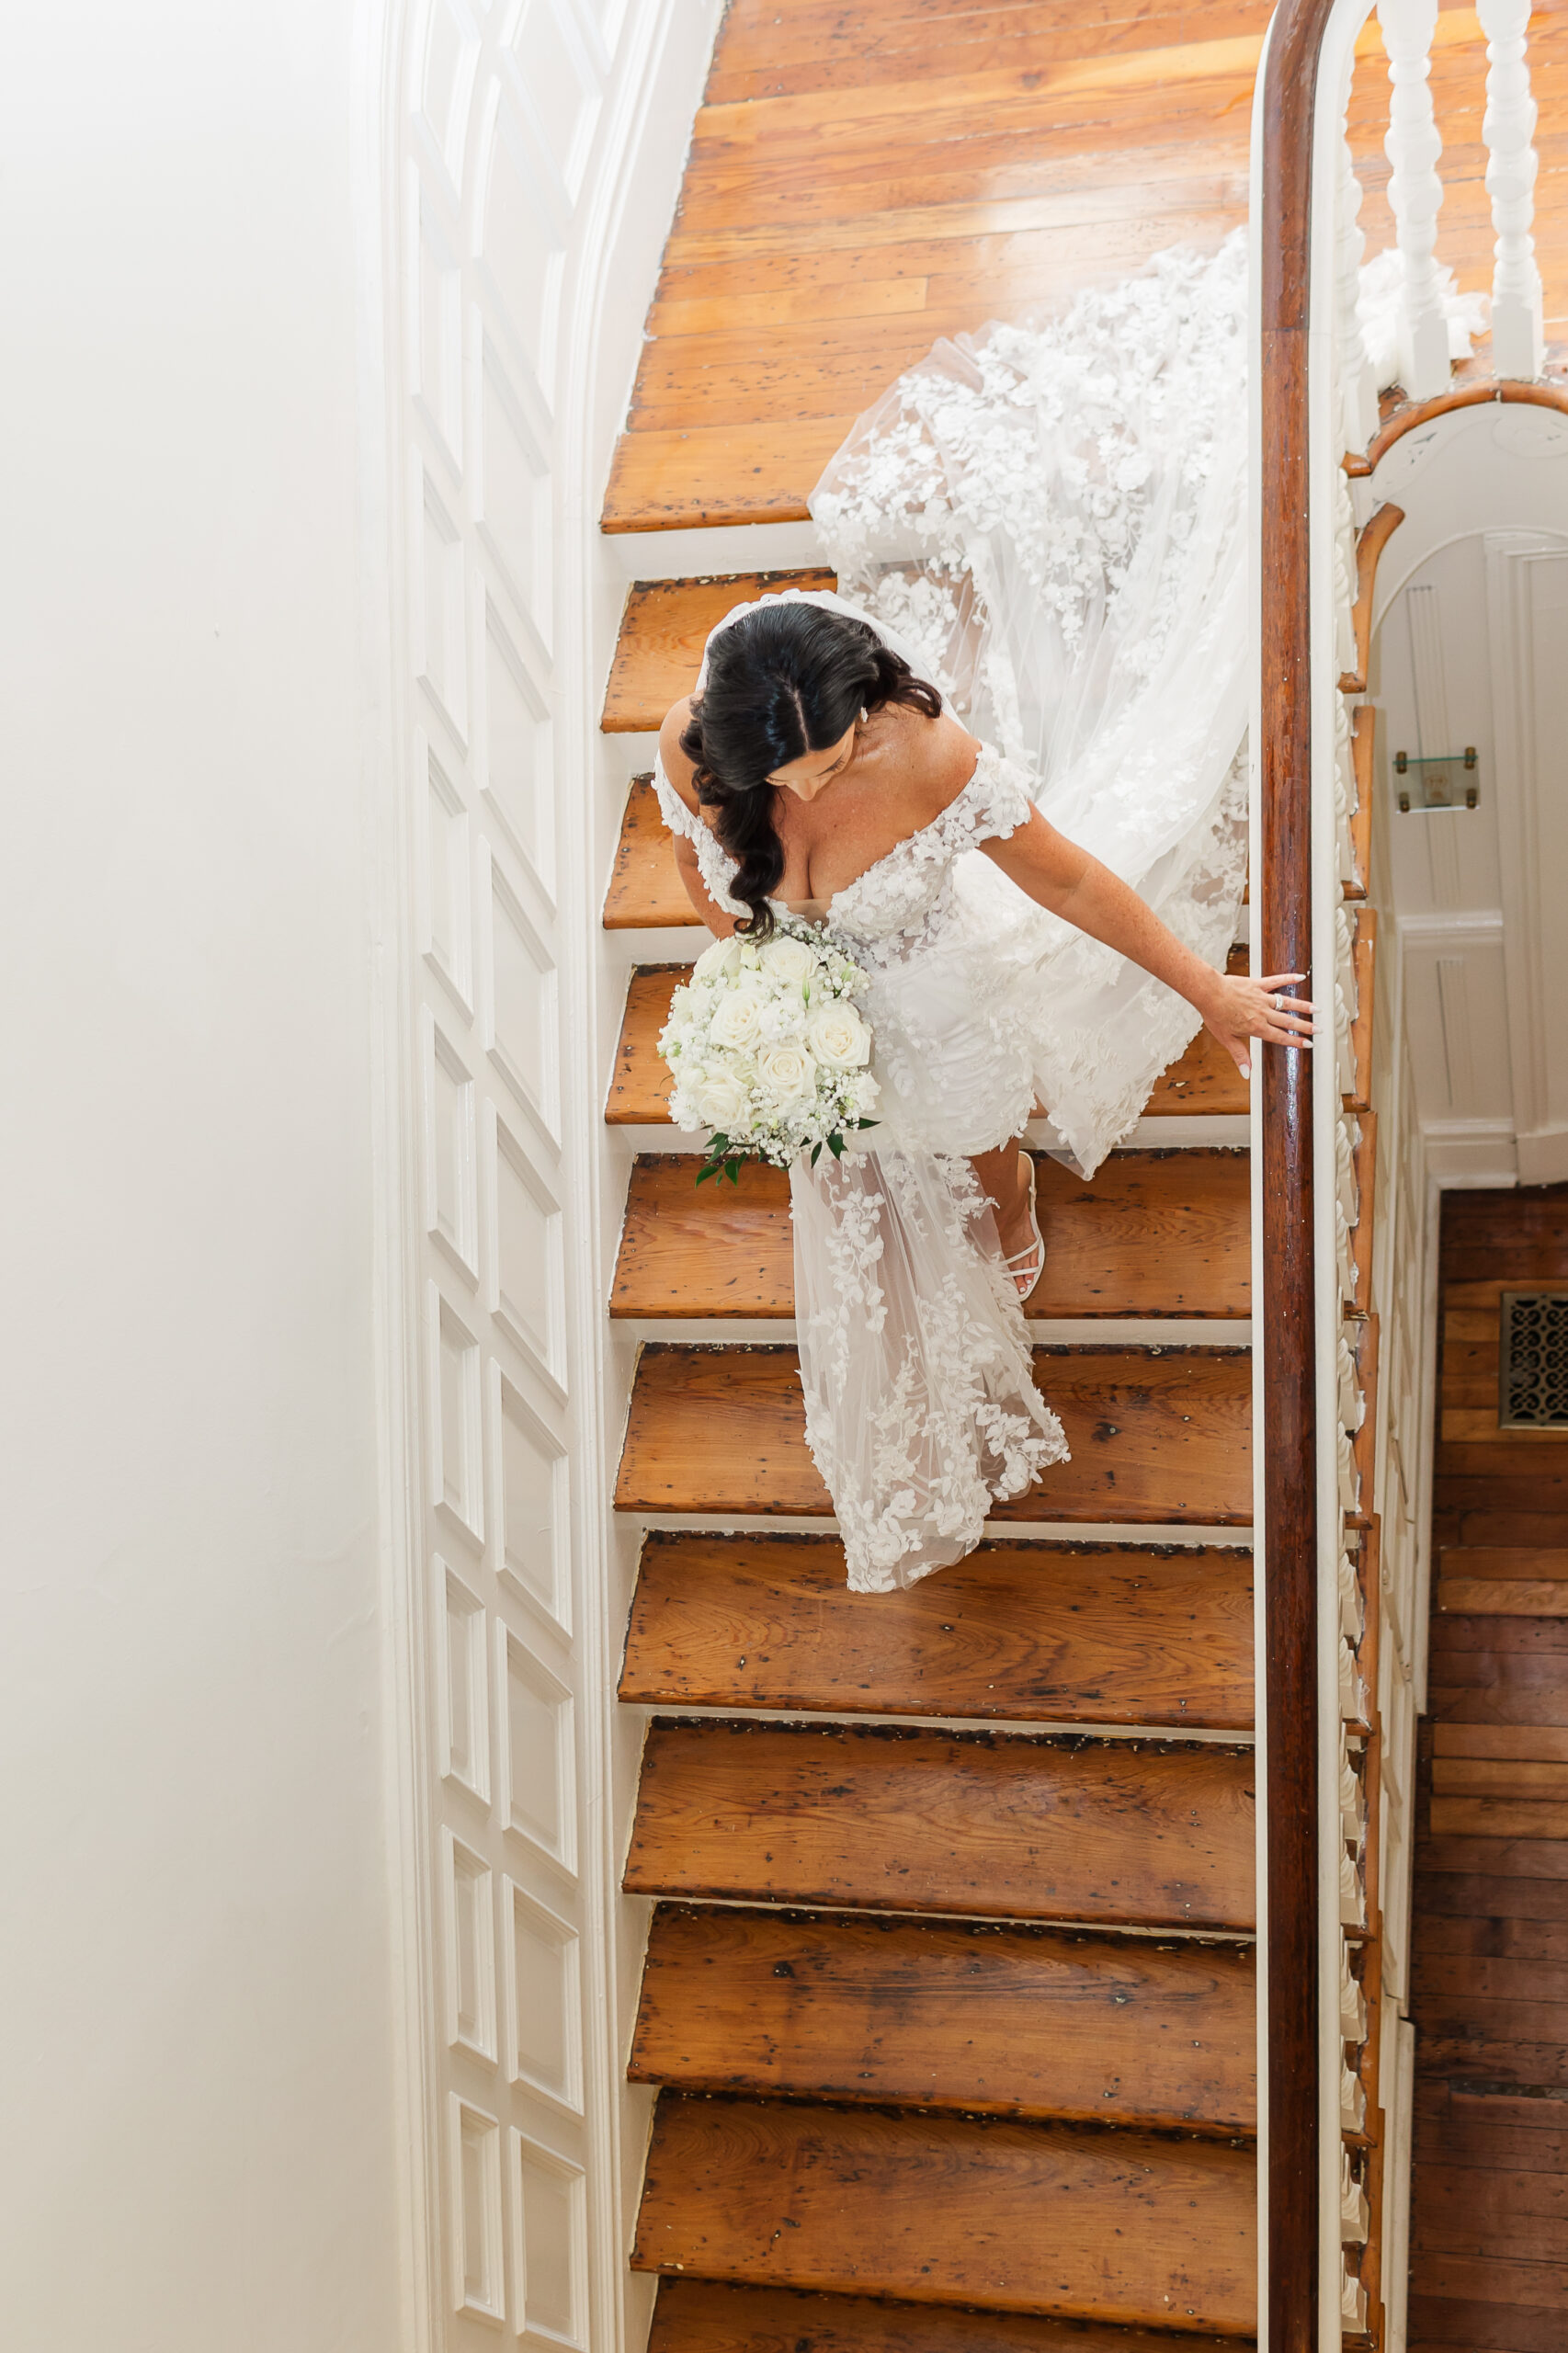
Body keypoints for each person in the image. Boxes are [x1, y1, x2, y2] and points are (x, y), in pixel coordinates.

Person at [651, 240, 1314, 1595]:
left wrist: (1208, 991)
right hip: (812, 1001)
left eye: (828, 766)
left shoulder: (935, 758)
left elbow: (1067, 879)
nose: (804, 790)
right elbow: (701, 872)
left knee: (971, 1131)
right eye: (777, 775)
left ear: (873, 718)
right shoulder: (694, 745)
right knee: (848, 1158)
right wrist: (751, 981)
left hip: (930, 980)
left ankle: (1010, 1218)